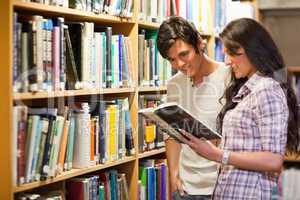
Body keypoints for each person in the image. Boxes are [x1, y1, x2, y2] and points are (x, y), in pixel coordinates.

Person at [181, 18, 300, 199]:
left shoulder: (267, 89)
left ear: (254, 51)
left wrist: (218, 155)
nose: (227, 62)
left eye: (233, 54)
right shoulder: (245, 89)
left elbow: (274, 160)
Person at [157, 16, 231, 200]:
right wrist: (174, 173)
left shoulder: (229, 78)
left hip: (222, 186)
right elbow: (172, 132)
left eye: (184, 54)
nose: (179, 65)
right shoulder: (174, 84)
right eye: (172, 60)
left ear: (199, 44)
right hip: (186, 189)